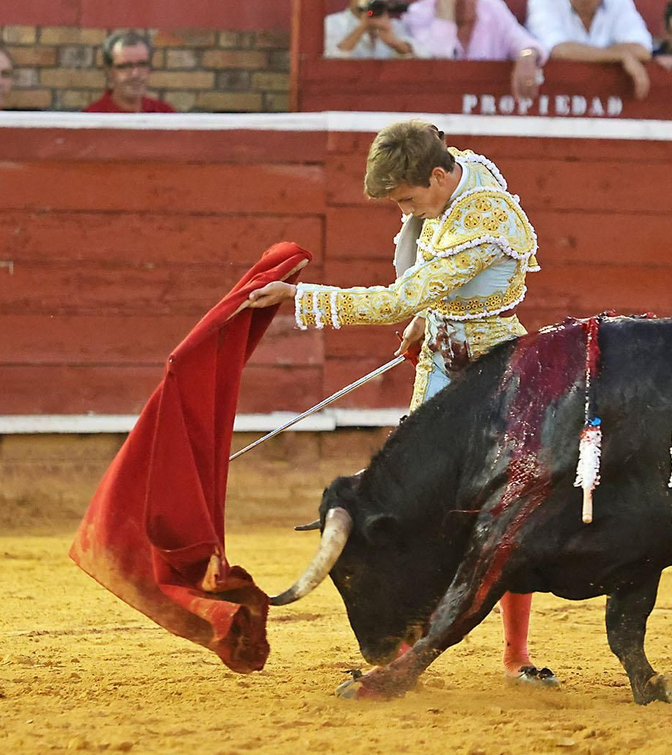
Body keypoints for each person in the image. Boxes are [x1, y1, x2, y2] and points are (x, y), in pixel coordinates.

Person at [239, 119, 558, 690]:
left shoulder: (486, 217)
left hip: (495, 372)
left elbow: (397, 296)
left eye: (408, 200)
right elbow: (434, 290)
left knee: (507, 508)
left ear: (439, 176)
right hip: (441, 359)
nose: (404, 212)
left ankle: (516, 655)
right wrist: (430, 318)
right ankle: (405, 646)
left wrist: (300, 296)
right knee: (417, 504)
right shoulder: (453, 172)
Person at [404, 0, 547, 100]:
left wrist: (527, 56)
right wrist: (446, 2)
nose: (466, 0)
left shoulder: (492, 8)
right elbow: (440, 58)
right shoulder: (418, 13)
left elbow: (525, 42)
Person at [526, 0, 654, 98]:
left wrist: (589, 53)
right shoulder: (543, 1)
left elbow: (642, 49)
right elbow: (558, 50)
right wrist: (622, 56)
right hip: (558, 97)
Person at [84, 30, 180, 111]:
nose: (135, 74)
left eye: (142, 64)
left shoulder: (164, 113)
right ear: (109, 71)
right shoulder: (92, 117)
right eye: (125, 66)